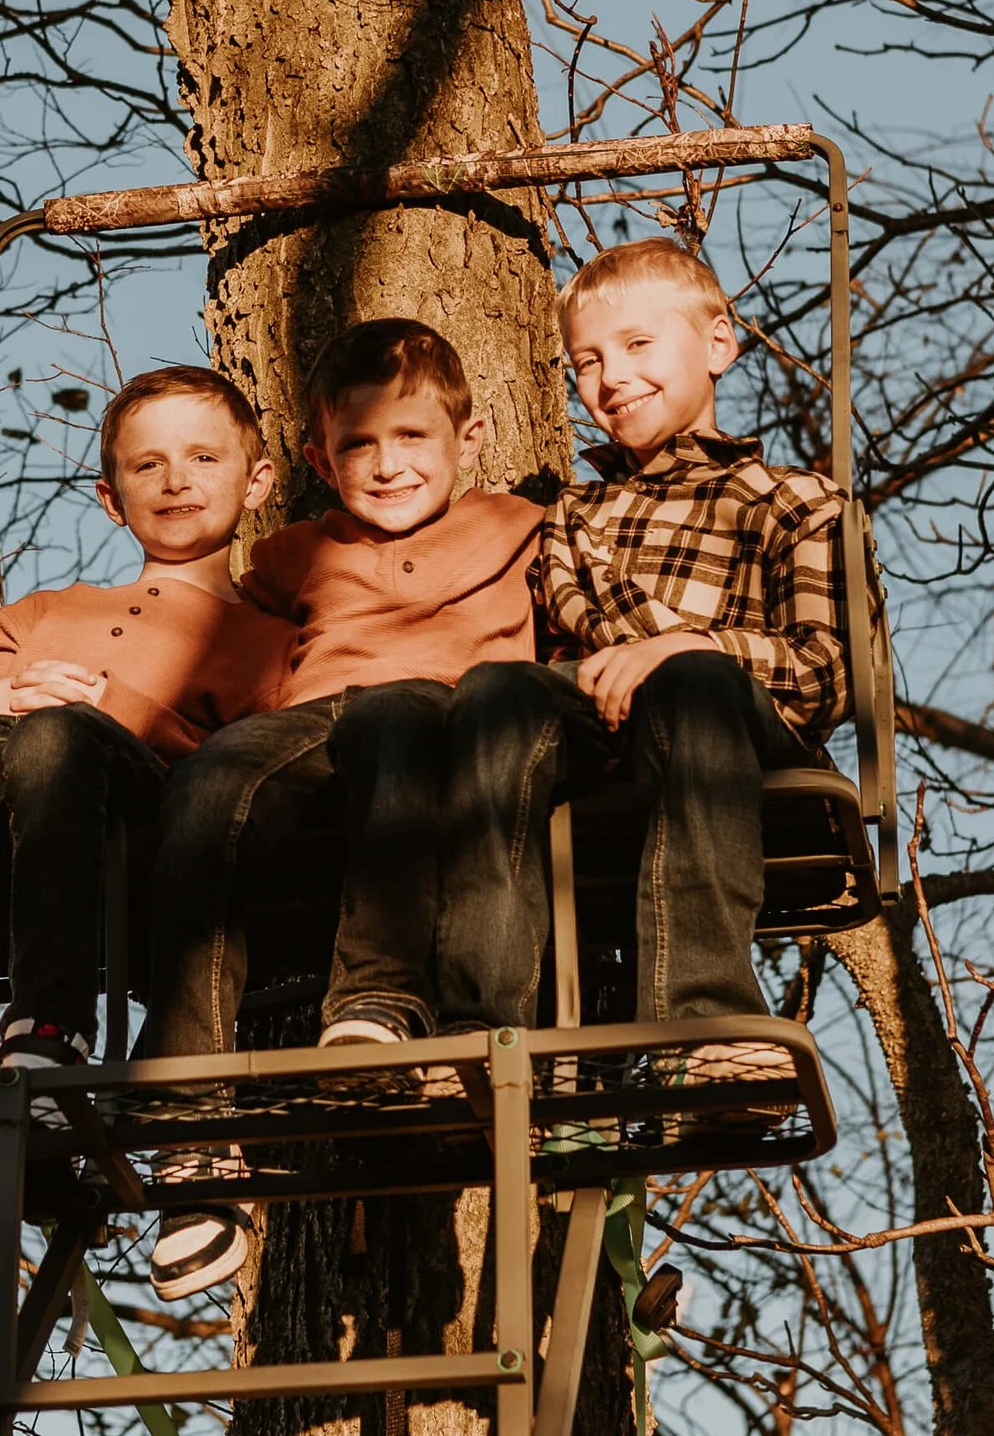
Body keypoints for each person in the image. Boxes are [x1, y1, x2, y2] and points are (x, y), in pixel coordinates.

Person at [140, 318, 542, 1302]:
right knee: (214, 778)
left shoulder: (522, 527)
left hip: (457, 725)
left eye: (411, 437)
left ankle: (376, 1001)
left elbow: (594, 610)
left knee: (400, 713)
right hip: (317, 722)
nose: (386, 463)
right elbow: (204, 638)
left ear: (469, 436)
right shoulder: (287, 557)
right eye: (357, 444)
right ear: (318, 457)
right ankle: (191, 1122)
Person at [437, 237, 851, 1094]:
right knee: (495, 691)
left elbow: (820, 676)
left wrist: (680, 651)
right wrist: (636, 657)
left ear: (718, 345)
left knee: (693, 684)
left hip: (734, 737)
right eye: (585, 361)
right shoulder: (571, 516)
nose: (609, 377)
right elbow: (568, 617)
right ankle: (476, 1021)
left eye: (636, 346)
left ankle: (704, 1020)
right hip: (602, 728)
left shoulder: (796, 501)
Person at [0, 366, 295, 1113]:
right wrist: (11, 690)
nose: (175, 481)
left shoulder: (268, 639)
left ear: (255, 482)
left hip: (151, 809)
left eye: (203, 458)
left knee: (60, 737)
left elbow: (251, 771)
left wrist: (107, 703)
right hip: (23, 788)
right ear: (111, 497)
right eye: (147, 465)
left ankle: (51, 1028)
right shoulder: (45, 611)